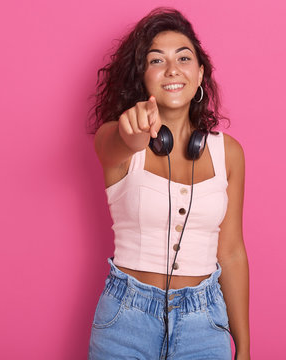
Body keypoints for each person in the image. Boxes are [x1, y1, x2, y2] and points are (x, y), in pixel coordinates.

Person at [88, 7, 250, 360]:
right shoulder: (114, 139)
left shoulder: (229, 153)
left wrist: (245, 347)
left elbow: (232, 252)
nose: (173, 69)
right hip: (125, 320)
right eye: (156, 60)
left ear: (199, 74)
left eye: (184, 58)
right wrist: (131, 134)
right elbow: (119, 142)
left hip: (205, 322)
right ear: (142, 78)